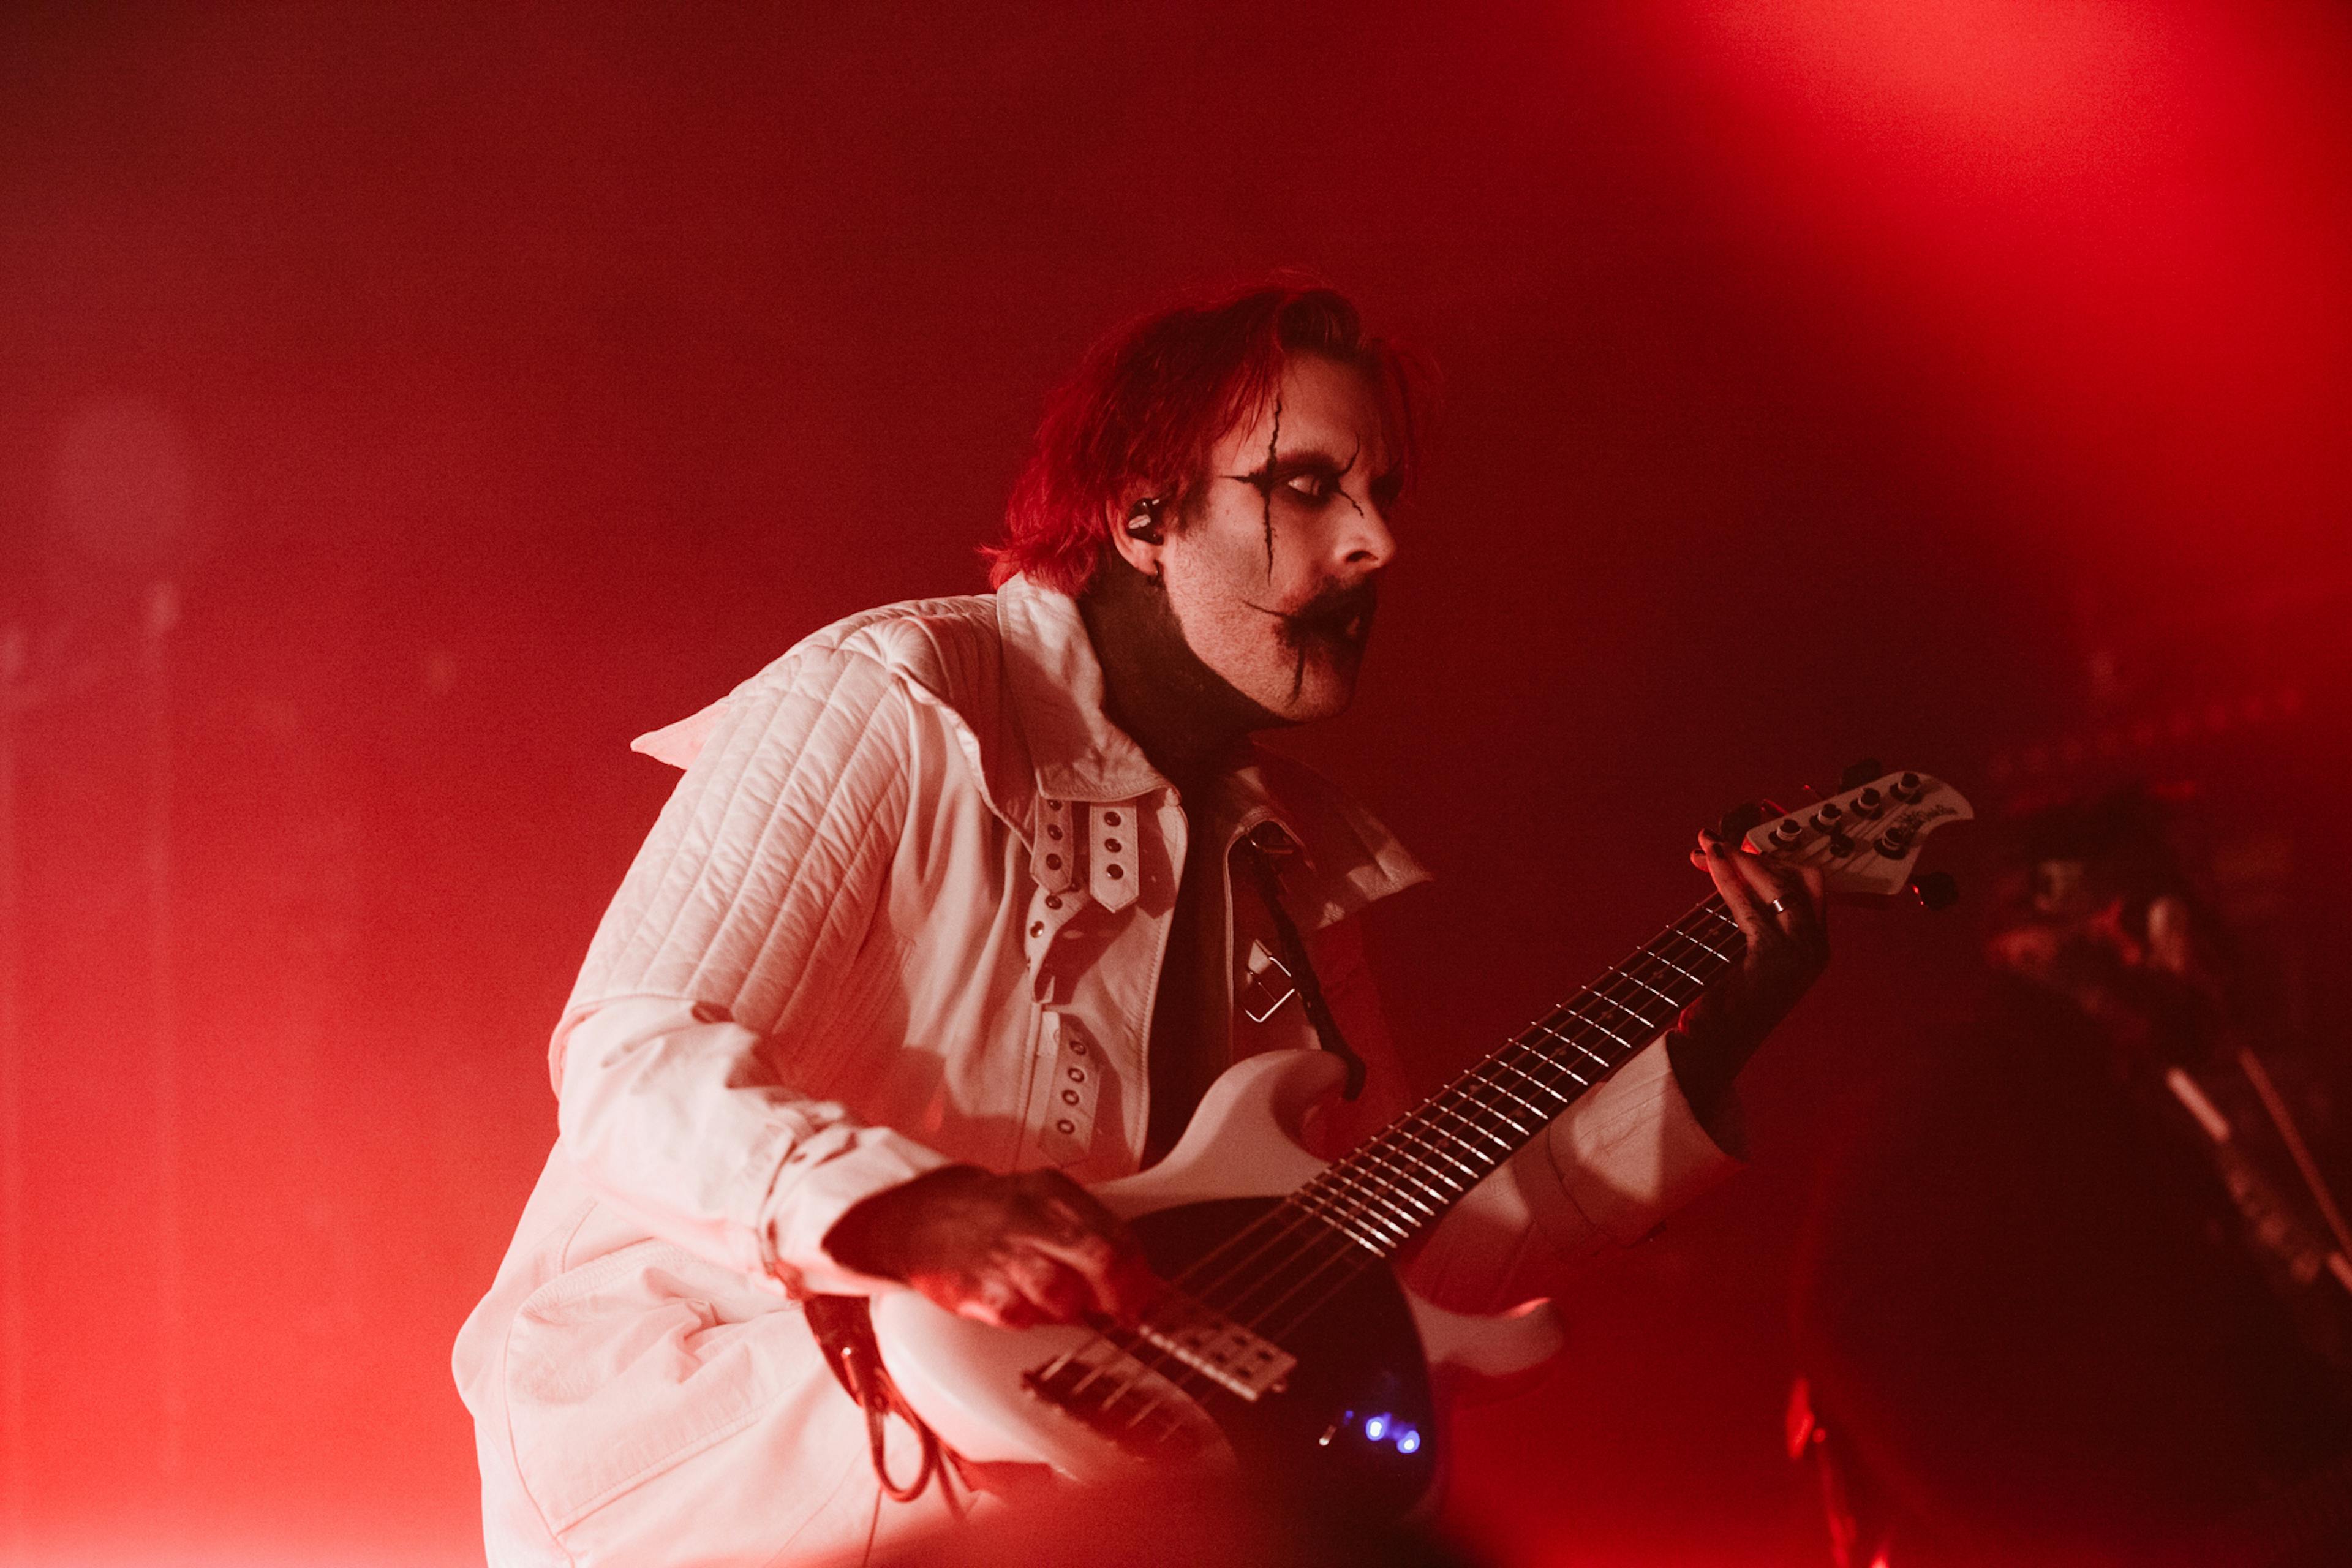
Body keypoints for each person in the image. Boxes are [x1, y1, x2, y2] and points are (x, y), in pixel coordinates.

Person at [453, 282, 1830, 1567]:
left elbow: (1388, 1254)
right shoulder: (894, 699)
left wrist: (1699, 1060)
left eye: (1383, 494)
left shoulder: (1289, 865)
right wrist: (901, 1201)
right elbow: (634, 1061)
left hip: (1044, 1507)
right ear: (1140, 513)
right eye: (1306, 485)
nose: (1375, 542)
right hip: (736, 1476)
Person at [1792, 788, 2352, 1566]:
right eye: (2181, 917)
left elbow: (2255, 1374)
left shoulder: (2119, 1115)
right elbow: (1863, 1341)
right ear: (2134, 924)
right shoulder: (1962, 1090)